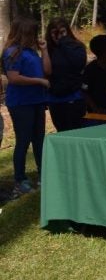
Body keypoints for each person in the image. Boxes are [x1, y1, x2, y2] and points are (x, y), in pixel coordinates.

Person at [2, 17, 49, 195]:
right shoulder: (11, 52)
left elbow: (46, 71)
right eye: (32, 33)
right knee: (23, 140)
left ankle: (43, 174)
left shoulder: (31, 52)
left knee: (39, 139)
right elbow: (13, 78)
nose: (34, 36)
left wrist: (44, 51)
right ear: (23, 33)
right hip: (21, 103)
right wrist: (39, 81)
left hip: (36, 101)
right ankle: (20, 180)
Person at [43, 17, 87, 131]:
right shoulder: (48, 49)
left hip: (74, 97)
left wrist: (64, 43)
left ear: (67, 31)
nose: (58, 35)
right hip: (55, 99)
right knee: (62, 131)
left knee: (76, 131)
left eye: (62, 32)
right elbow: (46, 71)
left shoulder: (77, 46)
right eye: (54, 32)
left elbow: (79, 64)